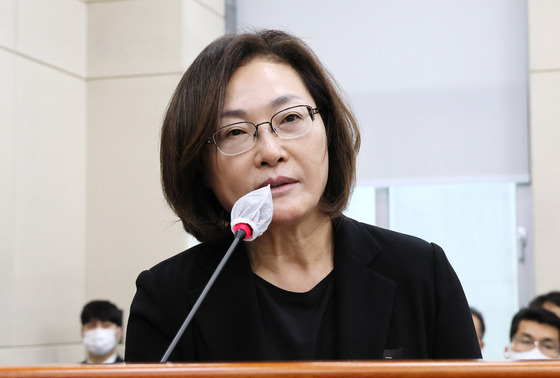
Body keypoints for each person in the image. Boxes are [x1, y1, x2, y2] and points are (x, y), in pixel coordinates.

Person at [125, 29, 481, 362]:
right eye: (234, 131)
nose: (270, 150)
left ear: (328, 130)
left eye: (291, 118)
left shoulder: (420, 272)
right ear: (199, 167)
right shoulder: (167, 300)